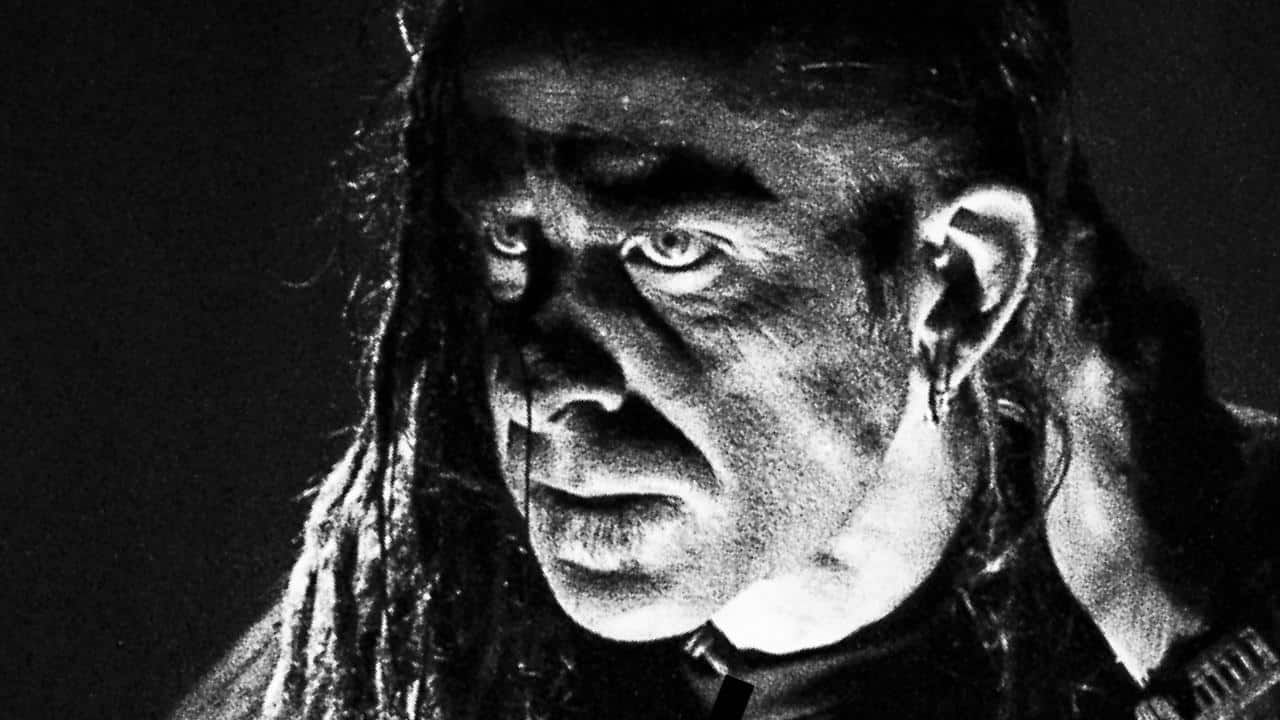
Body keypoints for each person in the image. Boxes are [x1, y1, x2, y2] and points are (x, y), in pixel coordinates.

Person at [172, 0, 1280, 718]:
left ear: (956, 282)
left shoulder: (1217, 578)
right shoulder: (385, 644)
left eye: (671, 251)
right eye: (512, 242)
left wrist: (1187, 642)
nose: (545, 383)